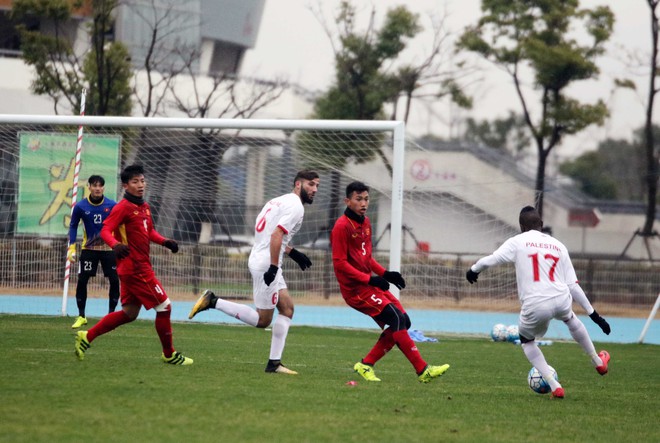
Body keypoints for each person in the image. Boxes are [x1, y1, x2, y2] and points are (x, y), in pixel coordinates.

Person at [466, 205, 611, 398]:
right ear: (541, 224)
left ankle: (554, 385)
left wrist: (473, 270)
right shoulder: (559, 245)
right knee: (570, 318)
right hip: (561, 298)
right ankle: (598, 362)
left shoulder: (517, 241)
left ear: (521, 226)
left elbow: (490, 260)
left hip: (535, 304)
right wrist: (594, 315)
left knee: (527, 341)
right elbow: (573, 286)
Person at [188, 170, 320, 374]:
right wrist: (274, 267)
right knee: (263, 320)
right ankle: (213, 301)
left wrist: (292, 252)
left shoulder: (276, 201)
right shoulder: (296, 207)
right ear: (297, 185)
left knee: (287, 309)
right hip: (267, 263)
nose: (314, 189)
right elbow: (276, 234)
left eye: (317, 185)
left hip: (261, 257)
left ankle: (274, 363)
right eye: (310, 184)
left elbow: (269, 234)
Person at [331, 181, 450, 383]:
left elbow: (366, 258)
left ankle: (366, 364)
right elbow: (340, 264)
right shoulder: (341, 227)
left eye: (366, 199)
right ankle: (423, 370)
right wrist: (371, 279)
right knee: (396, 318)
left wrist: (386, 274)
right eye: (358, 199)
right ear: (347, 201)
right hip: (355, 290)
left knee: (404, 321)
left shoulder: (365, 223)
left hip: (368, 284)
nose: (363, 203)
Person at [74, 164, 192, 365]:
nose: (140, 185)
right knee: (164, 307)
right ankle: (169, 354)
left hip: (135, 267)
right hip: (135, 268)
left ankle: (87, 336)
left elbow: (149, 232)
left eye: (143, 181)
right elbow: (105, 231)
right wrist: (115, 244)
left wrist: (165, 242)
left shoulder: (143, 206)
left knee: (129, 313)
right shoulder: (122, 207)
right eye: (135, 181)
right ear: (125, 185)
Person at [67, 175, 119, 329]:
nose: (97, 188)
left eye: (100, 185)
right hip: (88, 249)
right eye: (94, 185)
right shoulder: (81, 207)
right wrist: (71, 247)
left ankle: (111, 316)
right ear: (88, 186)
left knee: (114, 280)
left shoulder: (112, 205)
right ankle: (81, 316)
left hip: (109, 249)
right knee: (82, 280)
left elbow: (121, 225)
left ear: (104, 188)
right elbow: (73, 226)